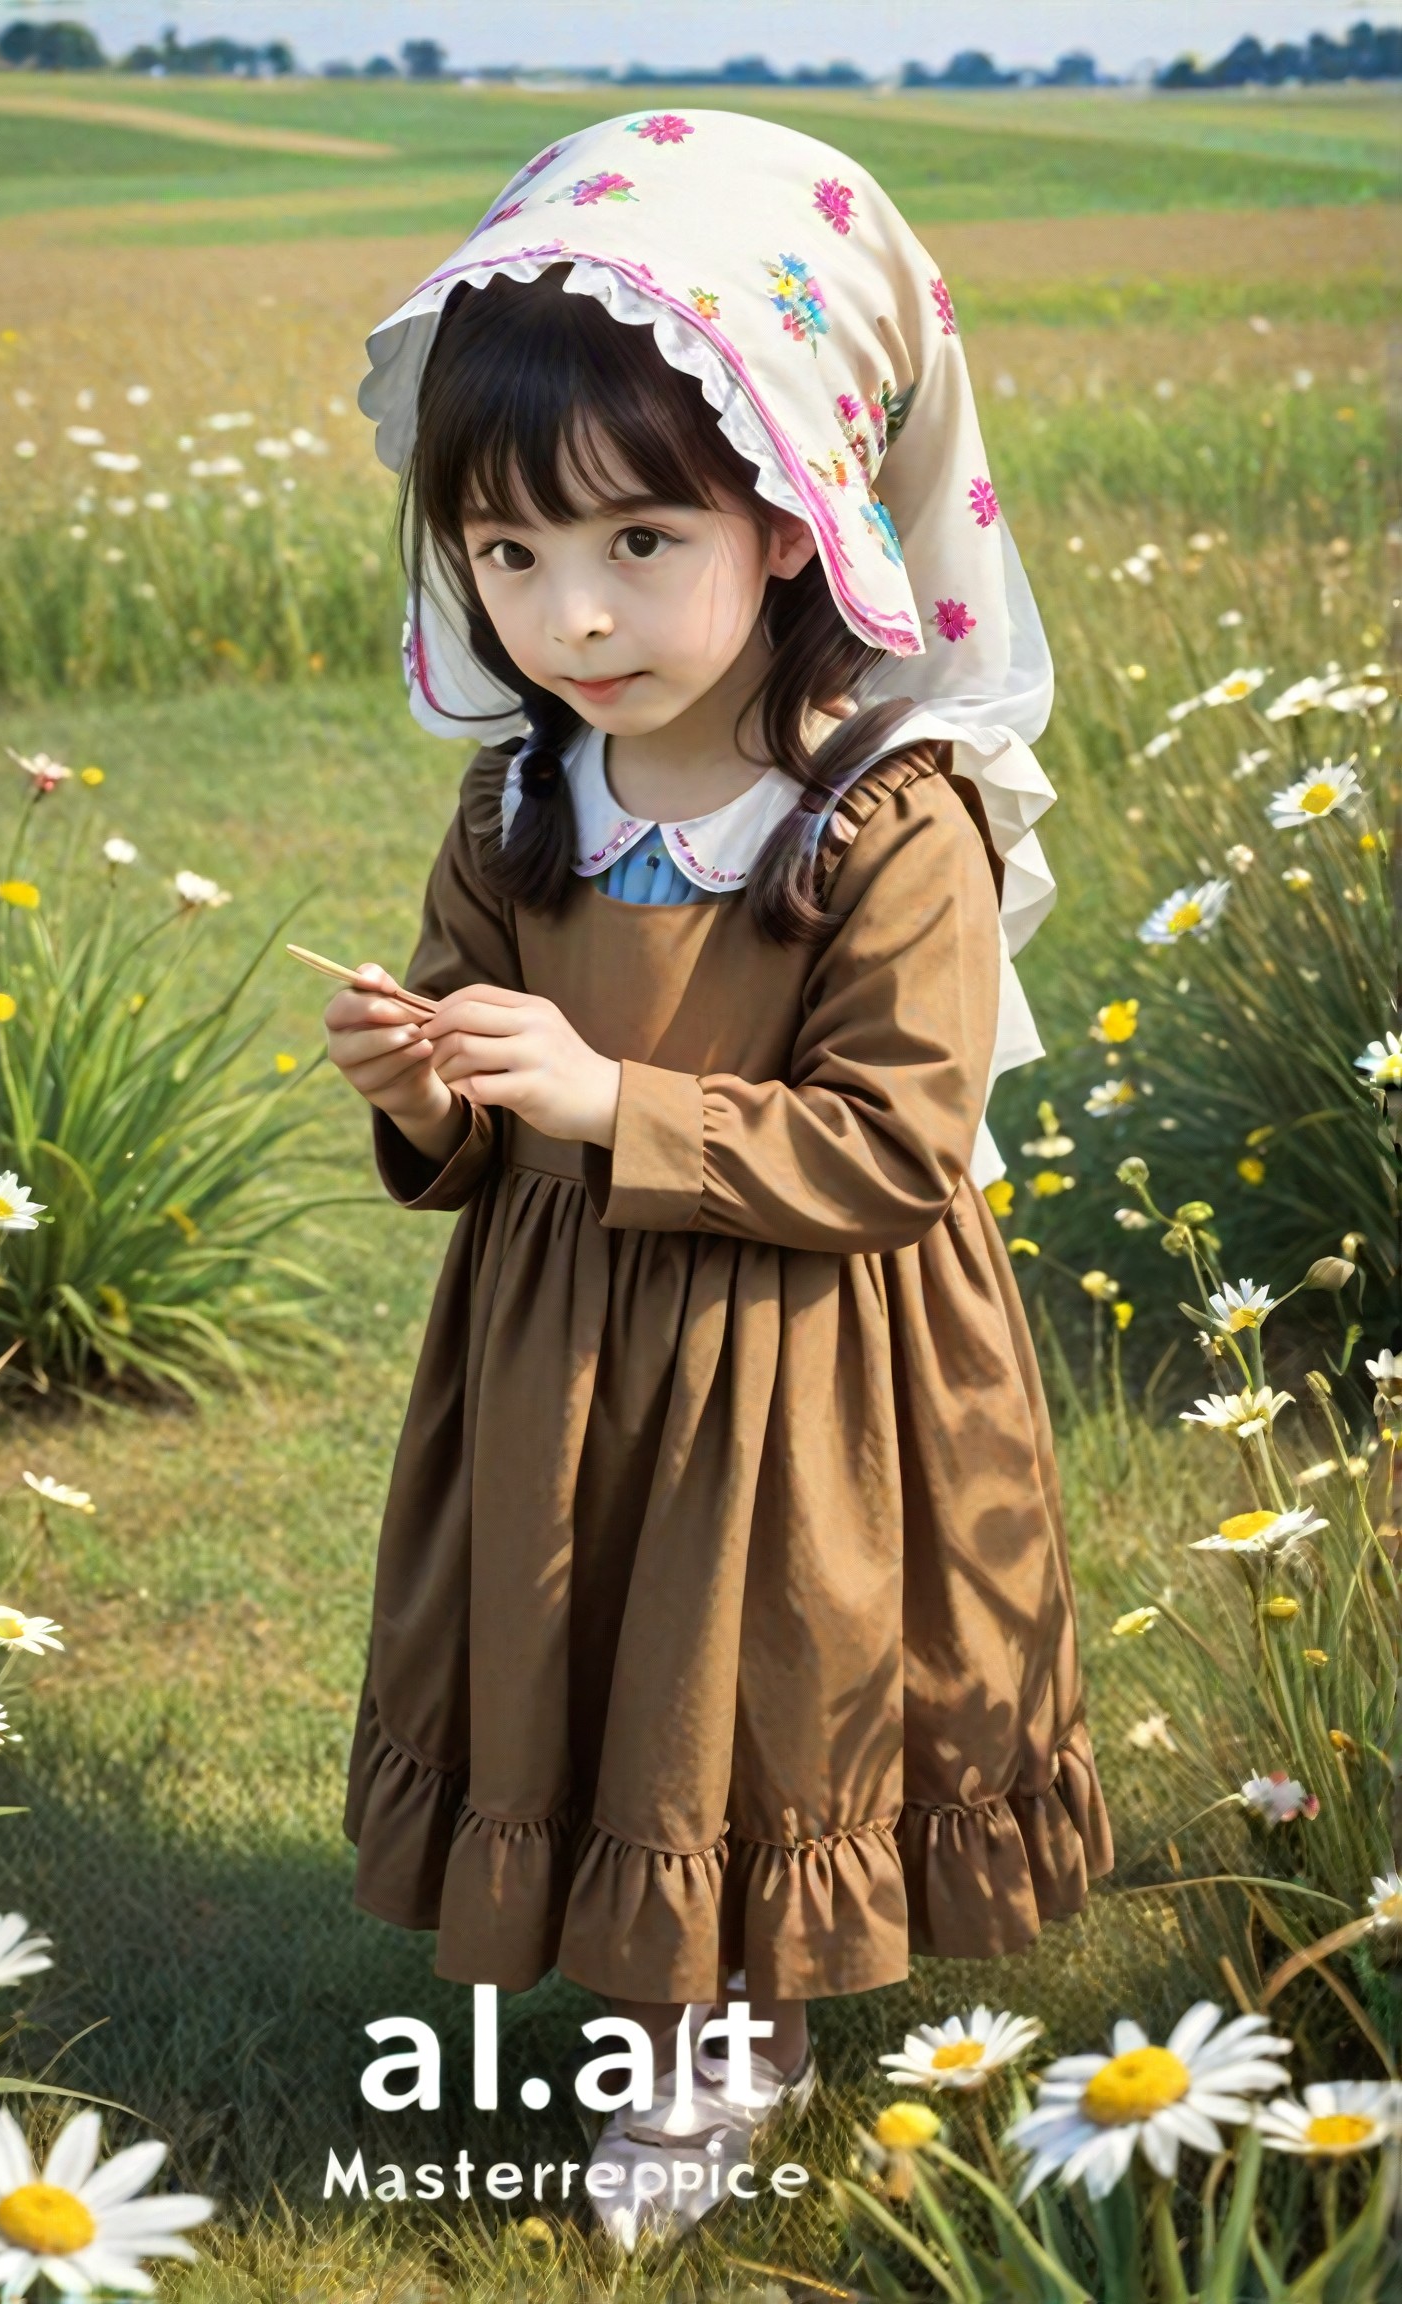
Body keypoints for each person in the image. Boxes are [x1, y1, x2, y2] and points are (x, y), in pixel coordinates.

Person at [324, 109, 1113, 2248]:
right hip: (564, 1340)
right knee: (594, 1641)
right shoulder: (522, 804)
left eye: (635, 544)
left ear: (788, 520)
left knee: (748, 1667)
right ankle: (622, 1954)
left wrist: (604, 1100)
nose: (566, 615)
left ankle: (720, 2029)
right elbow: (480, 1074)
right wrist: (429, 1082)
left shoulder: (879, 816)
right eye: (504, 556)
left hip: (804, 1351)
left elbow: (893, 1140)